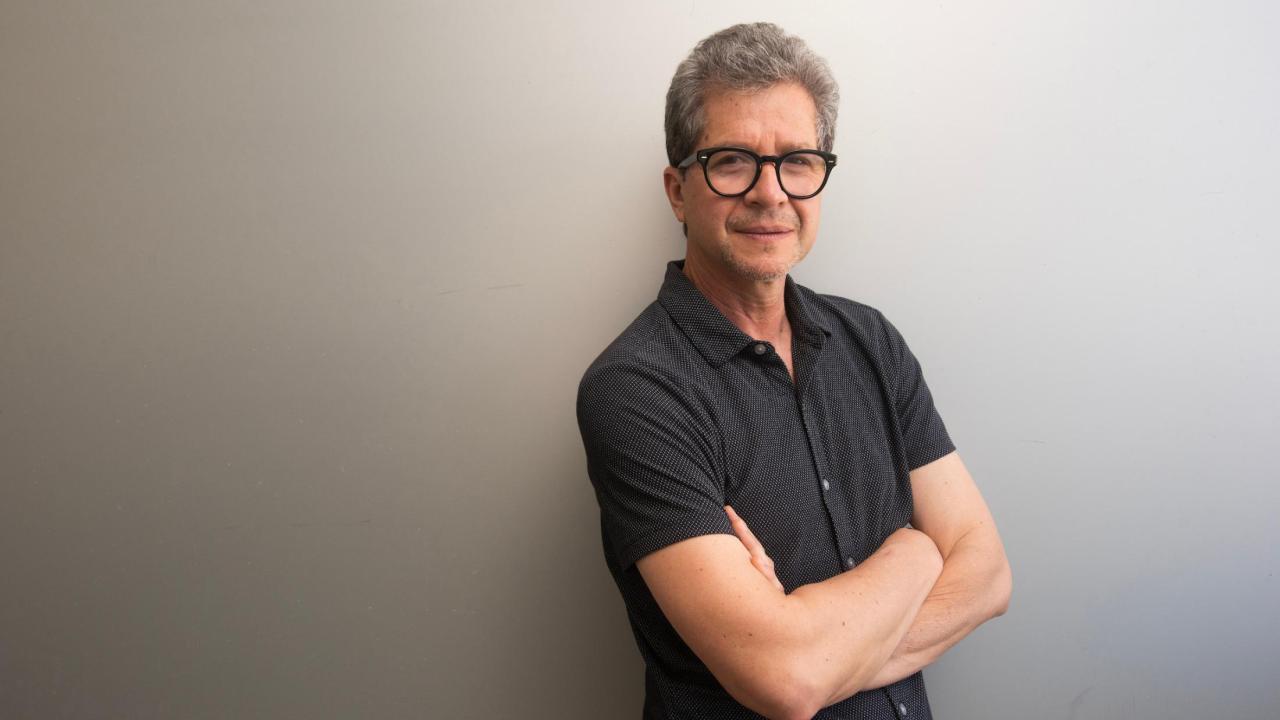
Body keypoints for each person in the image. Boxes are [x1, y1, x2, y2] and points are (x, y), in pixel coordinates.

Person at [576, 22, 1011, 720]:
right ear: (678, 189)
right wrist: (917, 552)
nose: (770, 193)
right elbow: (784, 677)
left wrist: (819, 652)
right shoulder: (635, 391)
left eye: (798, 161)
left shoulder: (872, 340)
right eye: (731, 161)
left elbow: (987, 575)